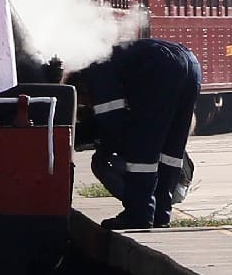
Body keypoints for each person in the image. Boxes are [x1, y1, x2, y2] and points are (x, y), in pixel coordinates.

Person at [65, 38, 200, 230]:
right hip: (190, 61)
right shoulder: (116, 59)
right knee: (171, 149)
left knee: (143, 150)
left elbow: (112, 123)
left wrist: (103, 147)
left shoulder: (96, 71)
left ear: (81, 88)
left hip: (160, 66)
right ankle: (161, 213)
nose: (87, 106)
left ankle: (138, 215)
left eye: (84, 102)